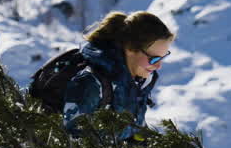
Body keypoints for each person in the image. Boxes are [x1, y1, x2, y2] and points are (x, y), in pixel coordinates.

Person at [63, 10, 175, 141]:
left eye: (163, 57)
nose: (159, 66)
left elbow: (133, 130)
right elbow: (72, 145)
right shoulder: (92, 83)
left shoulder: (138, 81)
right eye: (154, 59)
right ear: (130, 48)